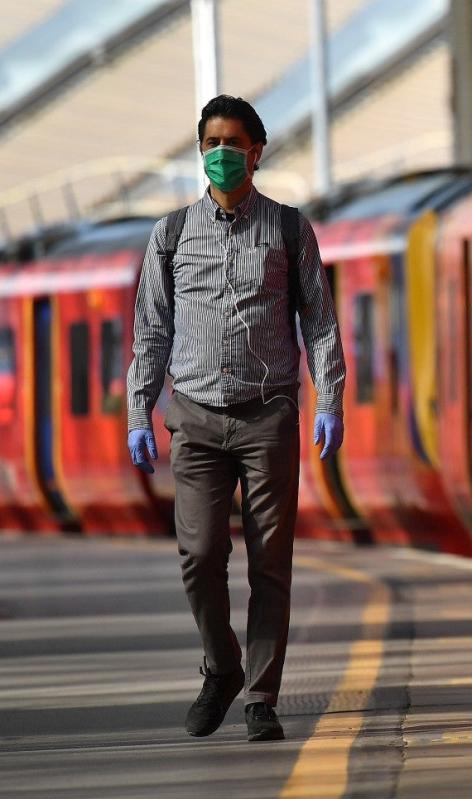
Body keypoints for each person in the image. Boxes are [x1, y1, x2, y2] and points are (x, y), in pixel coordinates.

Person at [125, 94, 345, 742]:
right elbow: (151, 330)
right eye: (211, 142)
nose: (221, 154)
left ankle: (261, 697)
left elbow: (320, 324)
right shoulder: (169, 235)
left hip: (268, 415)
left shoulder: (287, 229)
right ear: (201, 151)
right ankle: (221, 666)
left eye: (233, 142)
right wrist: (140, 410)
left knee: (270, 563)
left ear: (257, 150)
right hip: (193, 419)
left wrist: (328, 399)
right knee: (200, 553)